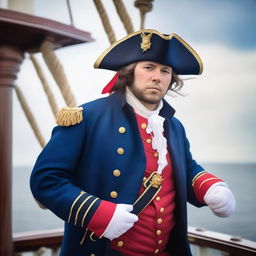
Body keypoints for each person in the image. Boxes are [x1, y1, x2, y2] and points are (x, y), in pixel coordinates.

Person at [30, 29, 236, 256]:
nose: (157, 76)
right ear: (128, 72)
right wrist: (99, 214)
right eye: (149, 68)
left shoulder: (173, 125)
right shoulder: (87, 116)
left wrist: (210, 187)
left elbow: (185, 170)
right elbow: (46, 181)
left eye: (165, 71)